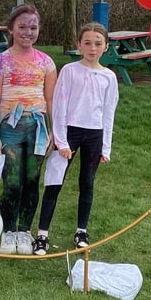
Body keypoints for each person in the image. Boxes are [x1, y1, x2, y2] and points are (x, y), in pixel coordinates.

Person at [33, 22, 119, 256]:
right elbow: (59, 106)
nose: (92, 48)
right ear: (79, 45)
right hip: (70, 132)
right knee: (54, 181)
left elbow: (109, 112)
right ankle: (42, 234)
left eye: (98, 44)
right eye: (88, 43)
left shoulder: (109, 77)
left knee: (87, 183)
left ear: (106, 47)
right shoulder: (70, 71)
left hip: (94, 135)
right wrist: (61, 142)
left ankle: (81, 230)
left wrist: (106, 147)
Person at [0, 4, 57, 255]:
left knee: (31, 180)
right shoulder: (0, 62)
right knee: (12, 182)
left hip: (37, 129)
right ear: (11, 29)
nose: (28, 32)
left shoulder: (46, 63)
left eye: (33, 27)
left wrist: (53, 132)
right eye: (23, 27)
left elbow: (51, 101)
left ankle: (24, 231)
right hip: (10, 129)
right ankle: (8, 230)